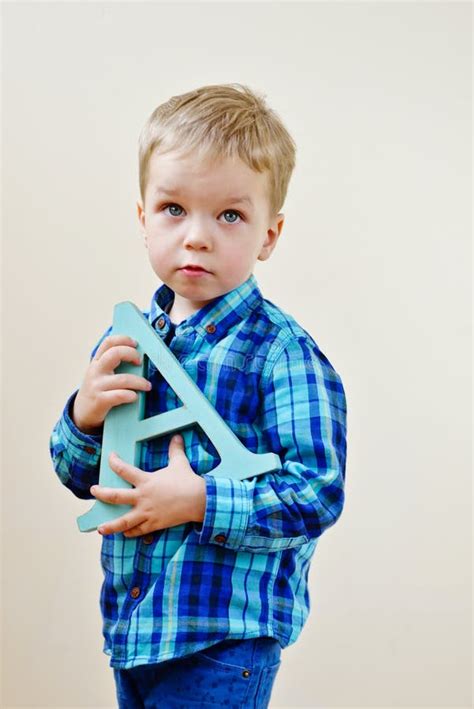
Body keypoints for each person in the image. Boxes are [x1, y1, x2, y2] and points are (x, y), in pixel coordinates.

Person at [49, 83, 348, 708]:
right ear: (143, 217)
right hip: (134, 629)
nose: (197, 237)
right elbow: (84, 478)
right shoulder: (128, 338)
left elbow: (317, 493)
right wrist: (83, 415)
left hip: (223, 642)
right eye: (173, 209)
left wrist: (201, 501)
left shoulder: (282, 353)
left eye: (230, 215)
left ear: (270, 234)